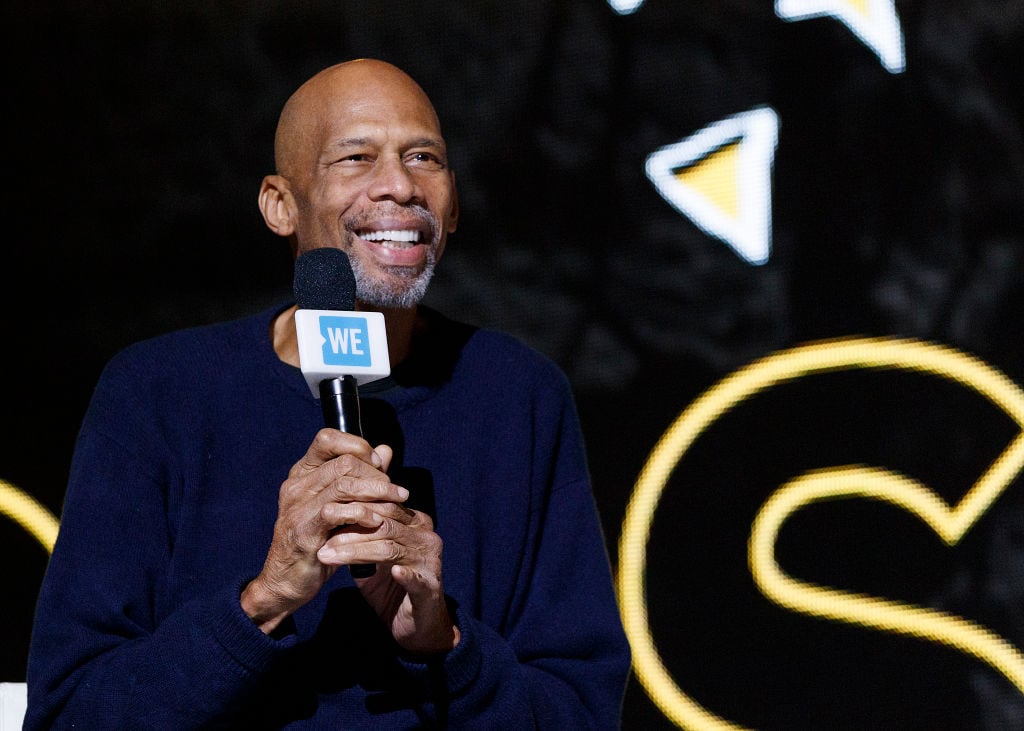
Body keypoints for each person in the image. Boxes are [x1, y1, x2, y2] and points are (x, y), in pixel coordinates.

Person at [24, 58, 631, 728]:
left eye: (422, 157)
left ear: (453, 202)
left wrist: (447, 645)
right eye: (356, 158)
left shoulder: (522, 395)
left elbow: (581, 710)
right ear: (280, 205)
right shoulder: (155, 392)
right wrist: (265, 597)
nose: (399, 185)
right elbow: (69, 711)